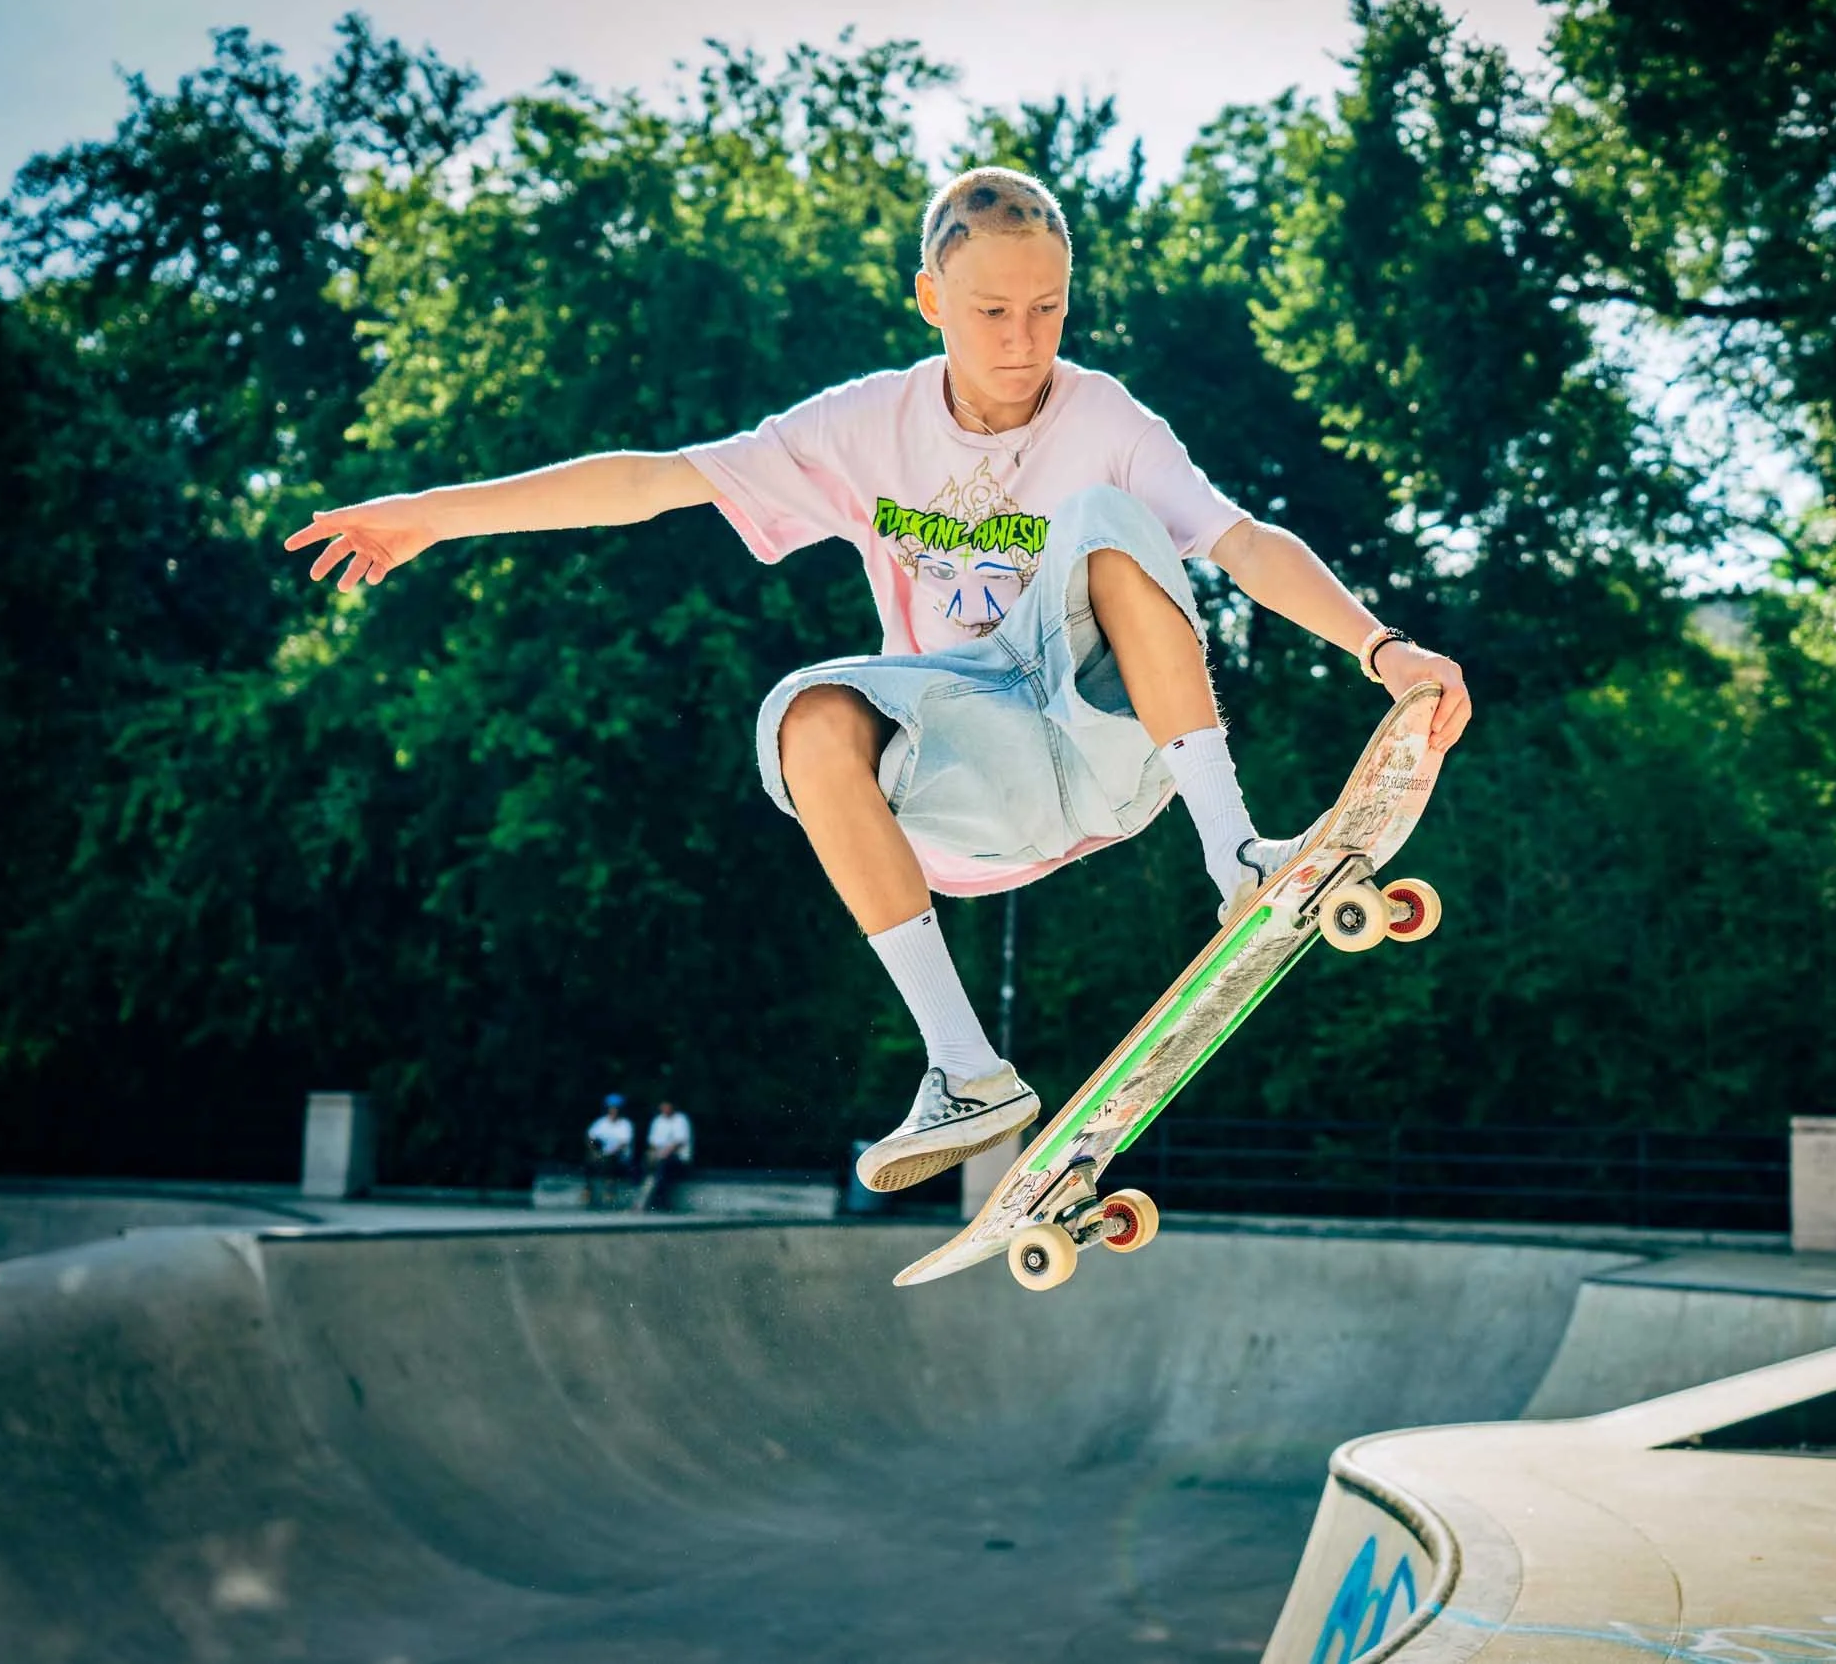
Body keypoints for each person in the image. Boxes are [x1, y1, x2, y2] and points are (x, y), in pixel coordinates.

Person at [286, 166, 1472, 1198]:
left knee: (1117, 520)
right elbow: (656, 480)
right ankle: (964, 1071)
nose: (1023, 340)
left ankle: (1238, 858)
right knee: (803, 713)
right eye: (992, 311)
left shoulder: (1103, 415)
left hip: (1104, 741)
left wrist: (1381, 647)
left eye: (1048, 309)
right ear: (930, 303)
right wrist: (432, 516)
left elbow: (1242, 542)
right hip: (965, 774)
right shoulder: (863, 426)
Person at [641, 1100, 695, 1213]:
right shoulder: (658, 1121)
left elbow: (679, 1142)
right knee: (648, 1163)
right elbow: (653, 1143)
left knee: (663, 1167)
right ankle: (643, 1198)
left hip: (679, 1159)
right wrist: (654, 1154)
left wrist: (663, 1153)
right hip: (660, 1158)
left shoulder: (681, 1120)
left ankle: (659, 1202)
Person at [584, 1093, 636, 1206]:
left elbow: (623, 1144)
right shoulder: (601, 1122)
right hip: (602, 1155)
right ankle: (588, 1189)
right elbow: (590, 1138)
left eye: (615, 1109)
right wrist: (594, 1151)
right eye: (611, 1108)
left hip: (619, 1157)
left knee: (610, 1160)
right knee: (589, 1160)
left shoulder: (625, 1124)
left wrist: (609, 1153)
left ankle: (609, 1191)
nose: (613, 1111)